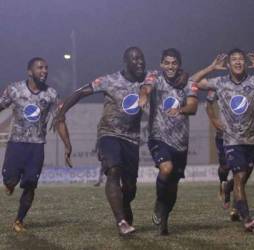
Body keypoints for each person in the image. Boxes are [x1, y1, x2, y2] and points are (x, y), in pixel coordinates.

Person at [54, 47, 147, 236]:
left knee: (130, 188)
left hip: (132, 139)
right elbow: (80, 92)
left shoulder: (148, 80)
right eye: (134, 59)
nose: (139, 62)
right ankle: (121, 221)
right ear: (126, 62)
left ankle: (124, 203)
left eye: (141, 59)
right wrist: (62, 113)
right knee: (113, 171)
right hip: (109, 134)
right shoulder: (109, 80)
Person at [193, 48, 254, 231]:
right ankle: (247, 218)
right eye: (233, 59)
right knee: (238, 177)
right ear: (228, 64)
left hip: (252, 140)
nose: (237, 62)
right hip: (231, 140)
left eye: (241, 59)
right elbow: (193, 81)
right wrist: (211, 67)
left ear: (245, 63)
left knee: (241, 180)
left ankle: (227, 189)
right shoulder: (220, 82)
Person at [1, 57, 71, 232]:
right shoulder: (14, 89)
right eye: (40, 68)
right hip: (16, 144)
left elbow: (60, 120)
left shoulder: (51, 94)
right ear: (30, 71)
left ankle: (19, 220)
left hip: (37, 146)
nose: (44, 71)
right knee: (10, 181)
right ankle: (9, 184)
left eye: (46, 68)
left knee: (31, 183)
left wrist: (67, 145)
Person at [139, 48, 198, 235]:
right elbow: (146, 87)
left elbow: (193, 106)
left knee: (172, 189)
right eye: (167, 63)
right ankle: (158, 202)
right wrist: (144, 95)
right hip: (158, 136)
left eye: (174, 63)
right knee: (166, 169)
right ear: (161, 64)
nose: (170, 66)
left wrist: (180, 109)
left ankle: (164, 222)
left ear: (178, 65)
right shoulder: (155, 77)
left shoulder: (189, 82)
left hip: (181, 141)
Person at [206, 90, 254, 211]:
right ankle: (224, 185)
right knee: (226, 167)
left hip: (245, 136)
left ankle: (229, 192)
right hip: (225, 135)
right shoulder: (219, 84)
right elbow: (208, 104)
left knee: (243, 174)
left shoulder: (248, 85)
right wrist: (214, 120)